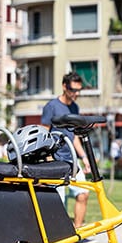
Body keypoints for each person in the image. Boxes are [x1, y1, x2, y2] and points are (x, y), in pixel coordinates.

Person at [41, 72, 90, 230]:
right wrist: (48, 158)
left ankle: (77, 231)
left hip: (72, 160)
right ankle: (57, 237)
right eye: (72, 90)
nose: (75, 94)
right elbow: (44, 133)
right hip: (55, 160)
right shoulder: (52, 107)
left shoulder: (75, 107)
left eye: (78, 91)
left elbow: (74, 136)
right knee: (58, 202)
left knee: (83, 193)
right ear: (64, 86)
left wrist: (84, 157)